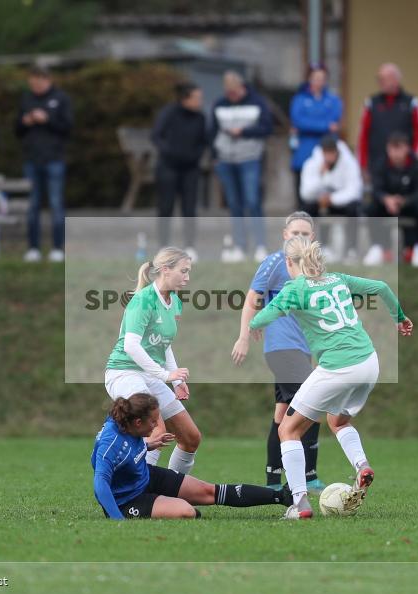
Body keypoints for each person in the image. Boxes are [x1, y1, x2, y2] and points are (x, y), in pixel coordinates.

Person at [248, 237, 413, 519]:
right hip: (368, 362)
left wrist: (253, 324)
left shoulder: (294, 289)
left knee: (287, 430)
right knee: (338, 421)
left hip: (338, 367)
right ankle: (361, 465)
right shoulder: (338, 279)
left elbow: (262, 317)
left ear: (289, 263)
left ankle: (299, 503)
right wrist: (399, 317)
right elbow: (382, 288)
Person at [231, 212, 325, 493]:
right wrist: (244, 336)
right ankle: (308, 475)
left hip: (301, 349)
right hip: (282, 348)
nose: (300, 238)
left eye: (305, 234)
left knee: (282, 412)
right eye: (295, 233)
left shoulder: (313, 268)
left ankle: (273, 480)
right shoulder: (275, 262)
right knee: (313, 403)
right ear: (285, 235)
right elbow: (252, 299)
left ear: (312, 237)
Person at [92, 393, 292, 520]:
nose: (156, 425)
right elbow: (100, 484)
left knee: (209, 491)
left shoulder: (125, 421)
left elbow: (129, 447)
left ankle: (282, 496)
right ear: (137, 422)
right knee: (188, 512)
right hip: (127, 500)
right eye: (153, 421)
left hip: (145, 476)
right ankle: (155, 503)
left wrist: (149, 445)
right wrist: (117, 519)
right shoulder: (111, 446)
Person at [104, 247, 201, 475]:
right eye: (183, 271)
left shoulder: (174, 301)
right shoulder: (143, 300)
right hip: (124, 372)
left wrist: (176, 381)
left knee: (190, 437)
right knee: (156, 430)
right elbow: (130, 346)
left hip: (149, 375)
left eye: (189, 271)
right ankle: (140, 489)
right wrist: (165, 375)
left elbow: (164, 344)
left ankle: (172, 488)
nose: (187, 277)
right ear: (165, 270)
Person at [211, 71, 273, 263]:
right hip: (225, 160)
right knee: (234, 204)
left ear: (241, 87)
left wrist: (244, 132)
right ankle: (239, 246)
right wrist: (215, 156)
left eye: (234, 92)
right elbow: (211, 132)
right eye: (228, 93)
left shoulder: (257, 102)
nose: (231, 96)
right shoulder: (220, 104)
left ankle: (260, 245)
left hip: (250, 158)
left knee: (252, 201)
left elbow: (267, 128)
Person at [15, 65, 73, 263]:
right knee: (33, 206)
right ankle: (33, 248)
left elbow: (67, 128)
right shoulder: (26, 99)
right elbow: (17, 130)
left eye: (39, 83)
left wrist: (47, 120)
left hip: (54, 159)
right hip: (32, 160)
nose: (36, 87)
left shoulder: (61, 99)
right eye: (32, 84)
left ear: (47, 80)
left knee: (56, 204)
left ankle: (57, 248)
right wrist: (25, 122)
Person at [151, 82, 207, 260]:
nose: (200, 101)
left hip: (190, 169)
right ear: (185, 99)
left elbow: (203, 141)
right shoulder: (168, 113)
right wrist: (170, 152)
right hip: (168, 167)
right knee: (166, 207)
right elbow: (156, 136)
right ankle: (163, 246)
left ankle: (190, 247)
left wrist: (196, 155)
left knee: (189, 208)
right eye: (196, 98)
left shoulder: (200, 117)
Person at [365, 132, 418, 267]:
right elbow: (376, 189)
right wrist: (386, 199)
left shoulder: (417, 165)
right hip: (387, 206)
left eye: (399, 148)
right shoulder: (381, 164)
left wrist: (405, 201)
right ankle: (378, 247)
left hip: (409, 206)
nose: (395, 153)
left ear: (407, 148)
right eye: (392, 149)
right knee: (371, 208)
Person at [357, 62, 418, 183]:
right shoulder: (371, 103)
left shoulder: (412, 103)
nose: (380, 82)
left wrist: (414, 158)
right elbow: (363, 135)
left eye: (384, 78)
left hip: (404, 166)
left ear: (395, 79)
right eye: (379, 79)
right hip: (377, 165)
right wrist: (362, 164)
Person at [298, 135, 362, 262]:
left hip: (341, 203)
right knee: (306, 209)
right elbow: (305, 193)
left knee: (354, 208)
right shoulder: (312, 163)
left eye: (331, 152)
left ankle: (351, 250)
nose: (329, 156)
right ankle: (311, 250)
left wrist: (332, 199)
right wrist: (320, 176)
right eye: (326, 152)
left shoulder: (349, 163)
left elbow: (355, 191)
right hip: (321, 201)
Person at [289, 64, 343, 210]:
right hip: (304, 154)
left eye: (322, 78)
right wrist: (325, 126)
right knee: (304, 201)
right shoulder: (300, 99)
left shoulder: (333, 100)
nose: (319, 81)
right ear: (309, 79)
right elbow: (298, 121)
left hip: (327, 155)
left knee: (329, 201)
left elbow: (335, 120)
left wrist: (310, 124)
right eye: (315, 78)